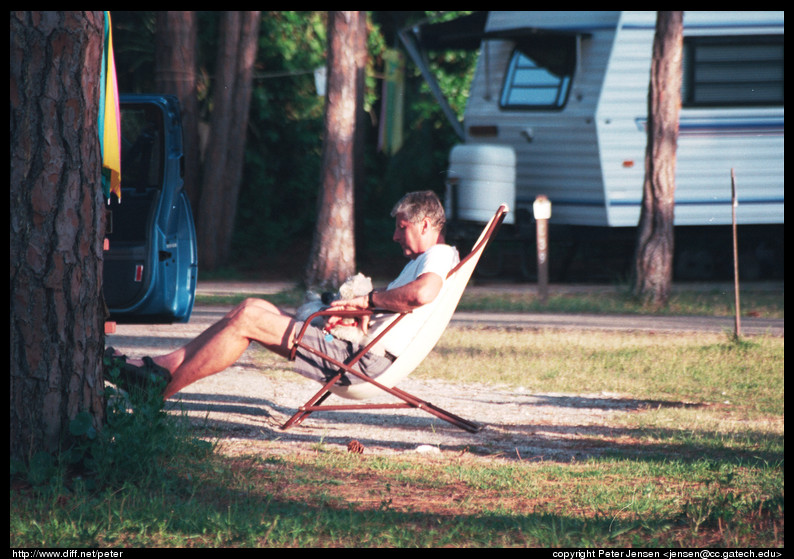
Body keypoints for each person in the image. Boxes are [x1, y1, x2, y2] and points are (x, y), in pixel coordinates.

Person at [104, 190, 460, 398]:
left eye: (402, 227)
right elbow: (400, 309)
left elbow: (423, 294)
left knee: (249, 320)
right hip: (357, 347)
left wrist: (367, 302)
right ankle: (159, 368)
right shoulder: (429, 259)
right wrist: (355, 313)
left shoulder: (438, 256)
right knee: (252, 305)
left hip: (361, 362)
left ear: (425, 225)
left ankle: (156, 395)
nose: (396, 237)